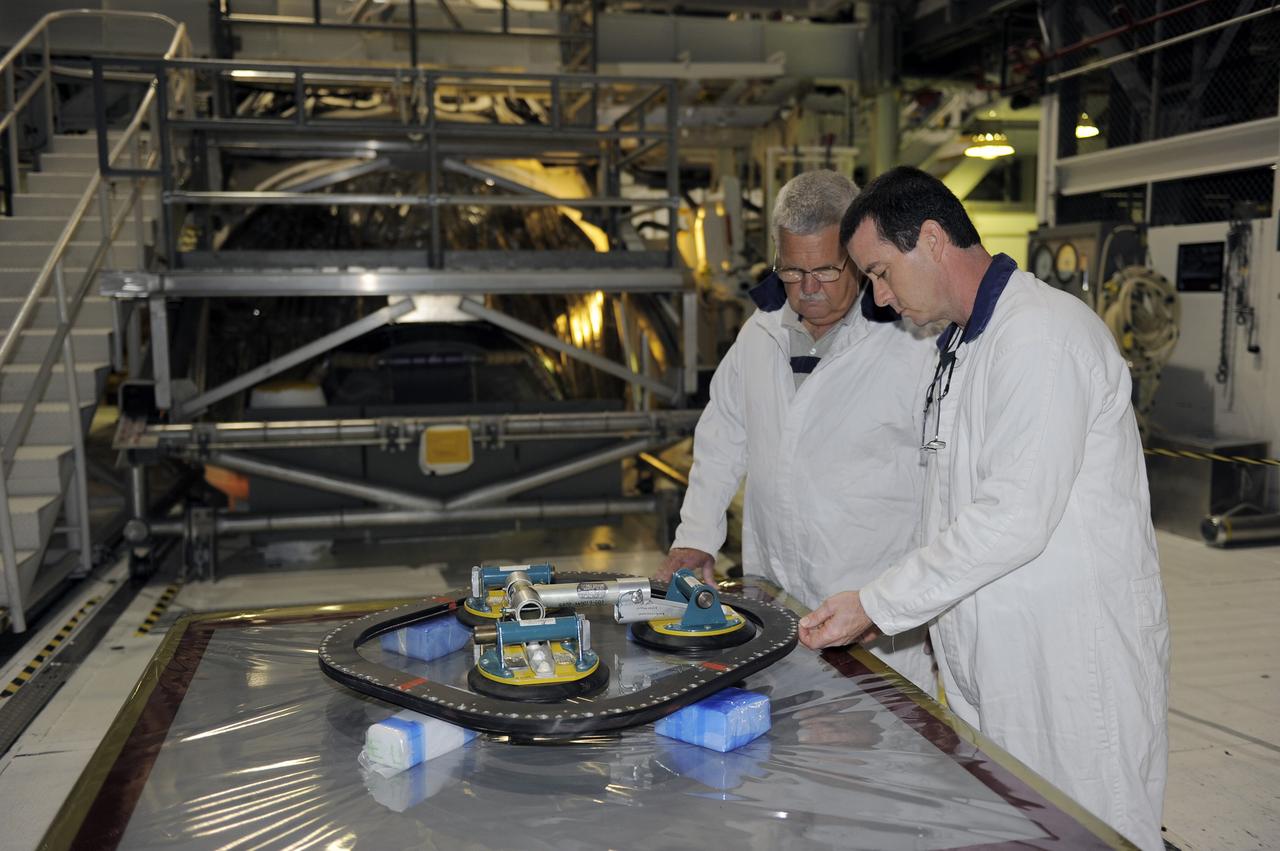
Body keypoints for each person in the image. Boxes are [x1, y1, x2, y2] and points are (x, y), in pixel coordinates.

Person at [799, 166, 1169, 850]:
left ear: (933, 239)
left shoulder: (1042, 336)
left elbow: (1014, 515)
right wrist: (896, 611)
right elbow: (945, 515)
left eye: (880, 272)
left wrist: (881, 601)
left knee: (1093, 827)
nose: (876, 298)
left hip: (1063, 665)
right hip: (991, 665)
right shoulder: (960, 347)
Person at [657, 169, 938, 693]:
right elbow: (723, 438)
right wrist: (696, 536)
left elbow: (948, 475)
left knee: (881, 758)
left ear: (857, 255)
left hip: (875, 615)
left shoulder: (913, 341)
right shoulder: (758, 333)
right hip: (777, 602)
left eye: (827, 271)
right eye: (791, 271)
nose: (807, 290)